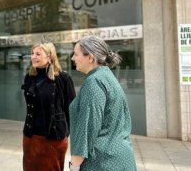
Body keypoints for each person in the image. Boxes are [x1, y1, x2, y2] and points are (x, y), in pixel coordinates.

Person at [68, 35, 136, 171]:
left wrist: (74, 165)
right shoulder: (106, 76)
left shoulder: (94, 82)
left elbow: (88, 127)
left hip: (102, 162)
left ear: (90, 57)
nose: (72, 58)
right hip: (118, 158)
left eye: (76, 54)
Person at [21, 42, 76, 171]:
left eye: (38, 54)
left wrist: (65, 133)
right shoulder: (29, 77)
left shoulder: (63, 78)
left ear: (50, 56)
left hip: (54, 139)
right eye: (32, 53)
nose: (34, 57)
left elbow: (71, 109)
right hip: (30, 137)